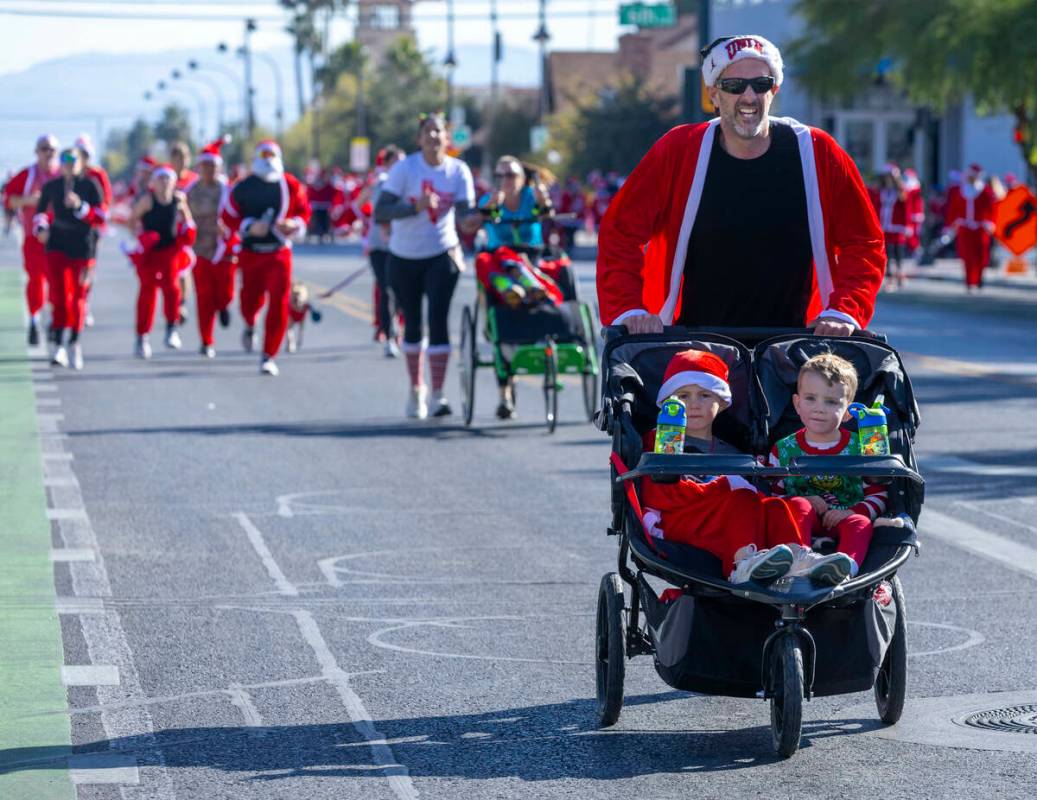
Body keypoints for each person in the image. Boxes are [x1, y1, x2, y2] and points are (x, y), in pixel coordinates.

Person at [597, 34, 885, 337]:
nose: (748, 96)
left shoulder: (817, 151)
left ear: (774, 90)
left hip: (795, 348)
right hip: (697, 348)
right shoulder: (679, 150)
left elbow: (864, 242)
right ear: (713, 94)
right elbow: (620, 233)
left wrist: (843, 311)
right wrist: (630, 310)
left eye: (760, 84)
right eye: (734, 86)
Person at [640, 349, 852, 585]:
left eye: (704, 395)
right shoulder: (659, 441)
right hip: (680, 520)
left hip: (724, 521)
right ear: (667, 402)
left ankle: (798, 558)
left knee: (775, 506)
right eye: (683, 396)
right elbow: (658, 495)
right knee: (741, 497)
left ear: (721, 402)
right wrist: (725, 485)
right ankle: (741, 564)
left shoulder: (731, 452)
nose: (694, 405)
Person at [374, 112, 481, 418]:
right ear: (419, 139)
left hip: (441, 254)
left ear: (448, 139)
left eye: (439, 132)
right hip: (403, 257)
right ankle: (415, 390)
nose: (434, 137)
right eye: (428, 132)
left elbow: (464, 213)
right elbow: (381, 211)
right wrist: (414, 206)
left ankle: (438, 394)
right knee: (413, 324)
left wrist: (471, 221)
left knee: (438, 321)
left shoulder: (458, 171)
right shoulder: (405, 169)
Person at [767, 353, 889, 583]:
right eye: (810, 398)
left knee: (860, 524)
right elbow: (773, 495)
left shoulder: (860, 448)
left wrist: (852, 512)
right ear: (797, 403)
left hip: (844, 516)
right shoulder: (783, 450)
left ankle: (845, 568)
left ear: (847, 412)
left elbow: (879, 493)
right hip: (800, 523)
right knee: (796, 506)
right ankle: (800, 560)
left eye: (831, 402)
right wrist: (803, 501)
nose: (819, 408)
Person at [220, 140, 311, 376]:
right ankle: (250, 324)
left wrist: (294, 224)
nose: (269, 159)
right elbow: (229, 215)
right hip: (251, 253)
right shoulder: (243, 186)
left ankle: (269, 354)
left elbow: (304, 212)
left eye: (273, 155)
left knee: (279, 302)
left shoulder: (289, 184)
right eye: (265, 155)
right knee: (249, 300)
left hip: (278, 252)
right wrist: (249, 226)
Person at [32, 147, 104, 369]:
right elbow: (40, 212)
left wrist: (80, 207)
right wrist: (41, 228)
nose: (70, 163)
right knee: (60, 296)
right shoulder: (52, 186)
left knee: (78, 298)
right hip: (57, 245)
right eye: (65, 160)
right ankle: (58, 343)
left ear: (82, 162)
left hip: (83, 248)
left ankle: (74, 341)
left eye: (74, 160)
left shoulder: (90, 185)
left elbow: (101, 216)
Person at [127, 164, 196, 358]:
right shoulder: (147, 201)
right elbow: (132, 220)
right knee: (147, 293)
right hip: (151, 253)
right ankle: (142, 338)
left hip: (170, 252)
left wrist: (185, 209)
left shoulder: (178, 200)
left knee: (172, 290)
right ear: (154, 182)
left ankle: (171, 329)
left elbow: (189, 225)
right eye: (161, 179)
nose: (164, 183)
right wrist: (139, 236)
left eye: (168, 179)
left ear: (174, 182)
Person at [2, 134, 61, 345]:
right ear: (37, 152)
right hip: (33, 238)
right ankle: (35, 320)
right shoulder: (28, 175)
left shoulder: (63, 175)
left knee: (58, 281)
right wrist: (29, 200)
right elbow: (8, 200)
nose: (48, 153)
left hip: (60, 239)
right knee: (36, 280)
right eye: (44, 149)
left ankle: (55, 320)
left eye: (52, 149)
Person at [188, 136, 237, 358]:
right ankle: (206, 341)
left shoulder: (229, 190)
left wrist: (228, 229)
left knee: (225, 293)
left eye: (213, 166)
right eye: (205, 165)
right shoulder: (190, 190)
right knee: (203, 296)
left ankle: (224, 306)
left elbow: (238, 216)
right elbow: (181, 216)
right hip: (200, 250)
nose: (209, 170)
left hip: (223, 250)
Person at [356, 144, 404, 357]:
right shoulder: (381, 183)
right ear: (386, 164)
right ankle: (389, 334)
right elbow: (363, 206)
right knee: (386, 289)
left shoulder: (409, 183)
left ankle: (401, 327)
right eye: (396, 161)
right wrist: (367, 223)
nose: (401, 165)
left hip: (404, 244)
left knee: (403, 290)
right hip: (380, 245)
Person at [75, 133, 112, 329]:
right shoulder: (68, 173)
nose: (83, 159)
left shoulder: (98, 175)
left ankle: (84, 303)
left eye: (86, 155)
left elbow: (106, 202)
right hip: (68, 232)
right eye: (79, 154)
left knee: (88, 268)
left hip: (91, 230)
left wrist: (94, 215)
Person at [943, 163, 996, 293]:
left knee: (981, 255)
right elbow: (953, 209)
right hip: (965, 227)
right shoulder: (959, 190)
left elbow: (992, 209)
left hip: (980, 227)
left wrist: (991, 222)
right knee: (966, 255)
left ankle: (979, 278)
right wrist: (950, 226)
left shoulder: (985, 190)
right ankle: (969, 281)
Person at [869, 163, 910, 290]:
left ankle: (900, 274)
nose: (887, 179)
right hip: (883, 225)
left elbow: (906, 209)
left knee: (899, 251)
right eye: (885, 177)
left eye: (890, 176)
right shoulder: (879, 191)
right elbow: (874, 206)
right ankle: (890, 278)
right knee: (888, 252)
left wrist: (907, 226)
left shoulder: (901, 191)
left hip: (897, 226)